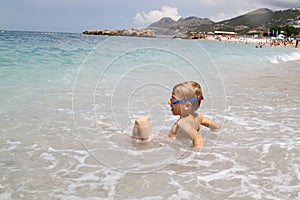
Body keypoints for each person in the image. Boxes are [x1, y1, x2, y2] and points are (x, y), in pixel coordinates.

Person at [133, 81, 220, 148]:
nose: (168, 102)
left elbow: (198, 139)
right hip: (170, 142)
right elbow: (216, 127)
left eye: (173, 100)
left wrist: (194, 158)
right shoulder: (199, 117)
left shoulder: (182, 123)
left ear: (187, 106)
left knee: (141, 121)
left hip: (163, 144)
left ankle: (140, 149)